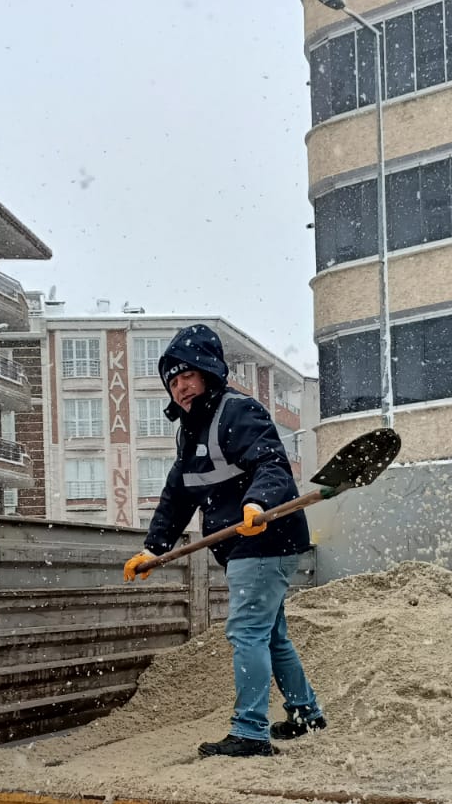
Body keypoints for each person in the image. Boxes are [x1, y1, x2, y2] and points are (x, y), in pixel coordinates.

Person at [123, 324, 326, 758]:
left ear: (208, 373)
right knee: (270, 635)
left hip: (266, 539)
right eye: (173, 382)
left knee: (246, 631)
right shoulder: (190, 432)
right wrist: (153, 548)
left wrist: (257, 503)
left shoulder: (237, 412)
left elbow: (271, 464)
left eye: (187, 377)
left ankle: (250, 732)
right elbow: (177, 495)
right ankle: (307, 714)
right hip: (245, 546)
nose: (180, 388)